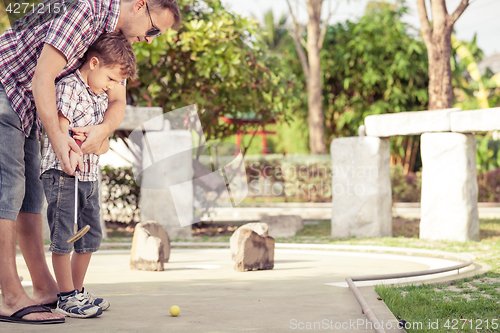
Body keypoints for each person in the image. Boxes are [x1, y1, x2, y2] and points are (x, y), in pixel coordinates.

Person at [0, 0, 181, 324]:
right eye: (154, 29)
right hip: (6, 86)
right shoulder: (86, 10)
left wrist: (102, 130)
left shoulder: (118, 41)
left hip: (28, 105)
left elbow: (117, 101)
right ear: (140, 5)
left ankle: (44, 289)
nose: (151, 39)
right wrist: (59, 139)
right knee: (8, 191)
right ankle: (11, 296)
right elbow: (43, 77)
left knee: (30, 198)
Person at [40, 31, 137, 319]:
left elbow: (104, 145)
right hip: (64, 172)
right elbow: (60, 127)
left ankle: (77, 291)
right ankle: (65, 296)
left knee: (89, 235)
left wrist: (97, 141)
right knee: (65, 234)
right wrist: (72, 154)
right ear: (93, 63)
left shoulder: (99, 98)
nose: (111, 88)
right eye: (110, 79)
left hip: (89, 175)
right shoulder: (70, 87)